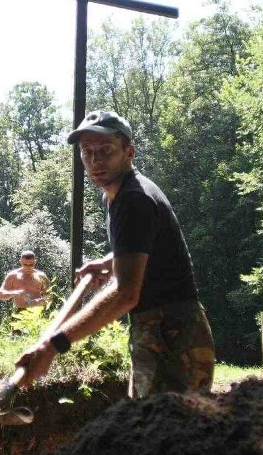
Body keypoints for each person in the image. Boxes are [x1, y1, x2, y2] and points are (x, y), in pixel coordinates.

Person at [15, 110, 215, 398]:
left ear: (129, 152)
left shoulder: (134, 199)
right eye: (87, 152)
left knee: (166, 435)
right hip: (160, 328)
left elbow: (125, 294)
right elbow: (148, 245)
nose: (95, 161)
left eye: (105, 151)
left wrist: (53, 345)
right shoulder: (117, 195)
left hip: (172, 335)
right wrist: (110, 262)